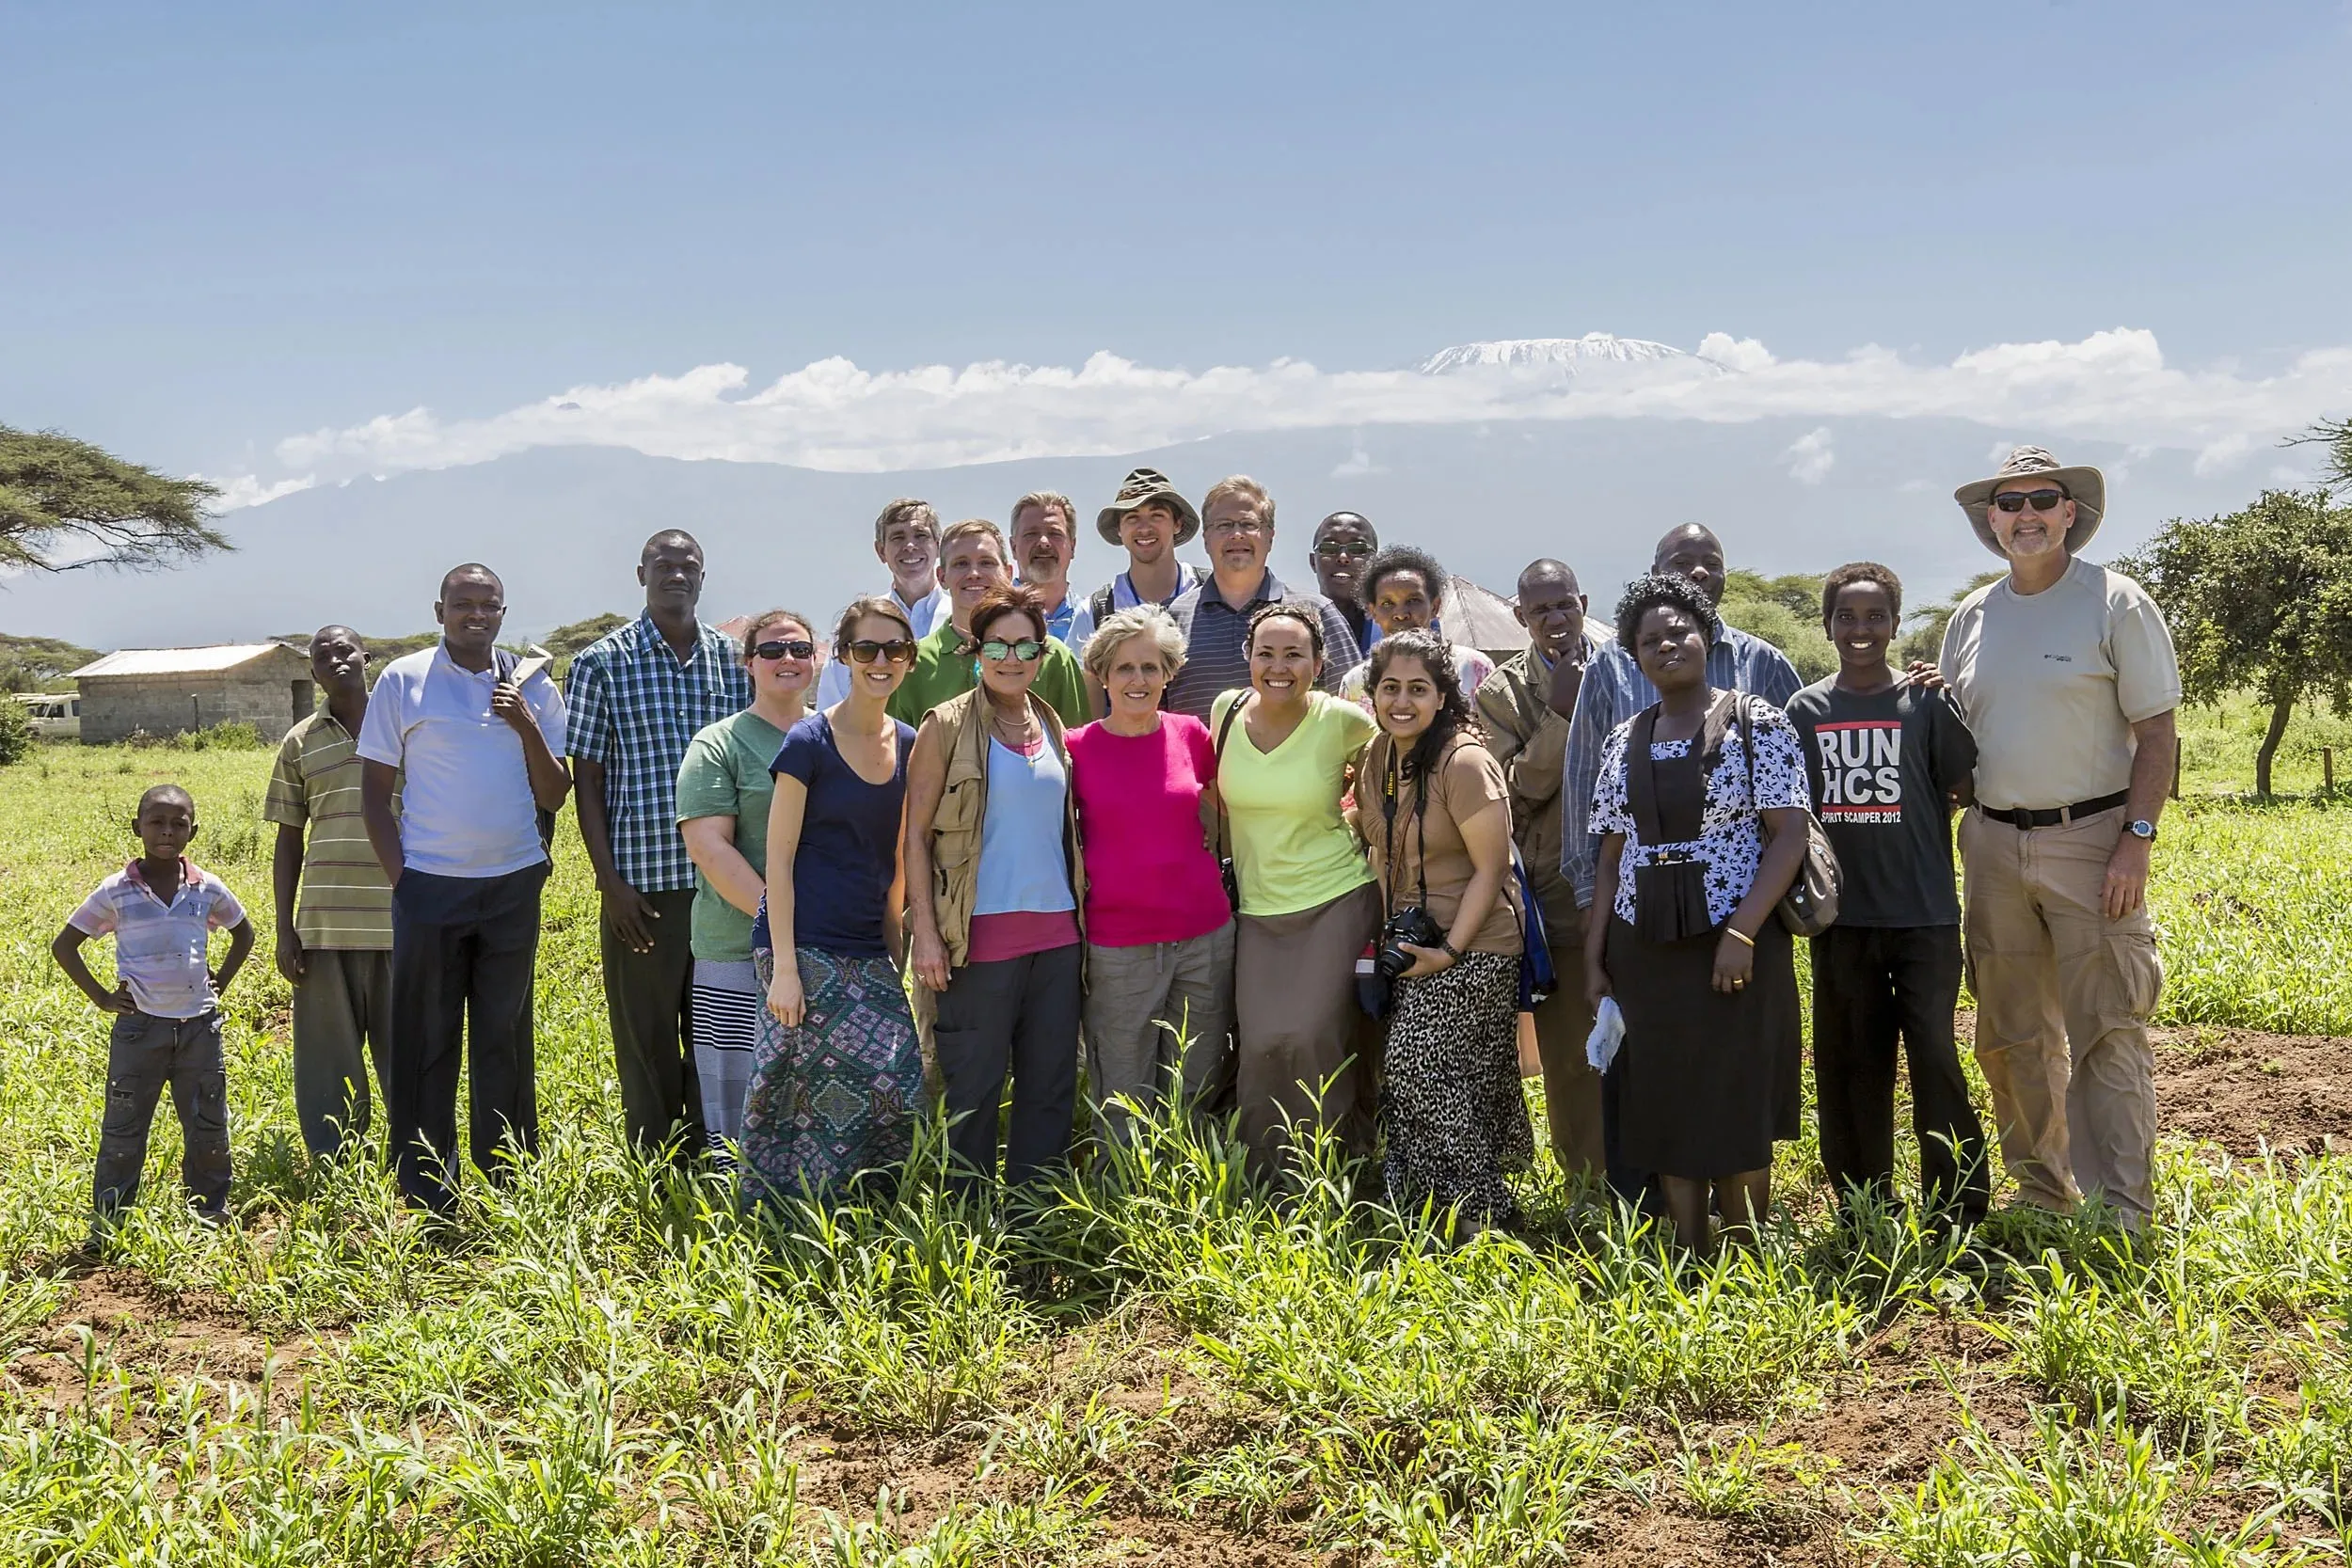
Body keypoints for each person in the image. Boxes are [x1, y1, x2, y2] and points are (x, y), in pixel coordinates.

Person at [1941, 446, 2180, 1229]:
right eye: (2009, 502)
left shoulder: (2115, 601)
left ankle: (2123, 1210)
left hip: (2094, 836)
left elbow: (2157, 732)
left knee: (2107, 1027)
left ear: (2070, 511)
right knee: (2011, 1034)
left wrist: (2136, 840)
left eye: (2043, 498)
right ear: (1992, 518)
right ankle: (2042, 1194)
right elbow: (1955, 731)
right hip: (1992, 843)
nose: (2027, 514)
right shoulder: (1971, 616)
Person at [1559, 523, 1803, 1205]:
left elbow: (1789, 835)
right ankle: (1688, 1254)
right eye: (1648, 641)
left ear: (1706, 634)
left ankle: (1745, 1254)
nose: (1667, 646)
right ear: (1634, 658)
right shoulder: (1621, 738)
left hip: (1736, 940)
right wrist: (1597, 957)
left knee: (1737, 1091)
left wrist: (1744, 932)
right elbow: (1609, 853)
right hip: (1648, 945)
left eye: (1680, 633)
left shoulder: (1758, 720)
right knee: (1665, 1096)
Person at [358, 563, 571, 1216]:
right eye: (462, 604)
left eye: (489, 605)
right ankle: (427, 1185)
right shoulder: (403, 680)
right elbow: (373, 795)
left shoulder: (532, 685)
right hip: (430, 889)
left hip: (511, 885)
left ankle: (507, 1175)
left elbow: (555, 792)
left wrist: (524, 723)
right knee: (426, 1035)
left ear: (504, 613)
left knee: (504, 1034)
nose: (475, 614)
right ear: (439, 608)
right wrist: (407, 880)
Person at [1787, 562, 1990, 1227]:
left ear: (1896, 624)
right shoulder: (1806, 710)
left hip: (1924, 916)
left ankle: (1956, 1208)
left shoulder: (1927, 701)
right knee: (1852, 1069)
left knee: (1935, 1056)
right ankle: (1864, 1205)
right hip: (1843, 921)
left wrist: (1948, 694)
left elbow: (1959, 789)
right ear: (1829, 626)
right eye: (1847, 616)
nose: (1861, 629)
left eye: (1875, 616)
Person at [565, 531, 755, 1160]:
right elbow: (586, 778)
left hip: (724, 887)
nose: (677, 574)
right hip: (641, 889)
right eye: (664, 565)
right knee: (645, 1035)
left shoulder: (734, 661)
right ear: (641, 572)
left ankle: (716, 1154)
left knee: (716, 1031)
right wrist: (609, 883)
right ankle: (658, 1160)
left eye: (689, 565)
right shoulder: (601, 663)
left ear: (704, 575)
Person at [903, 584, 1086, 1188]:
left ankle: (1036, 1227)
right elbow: (915, 838)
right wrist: (925, 933)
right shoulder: (944, 726)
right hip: (974, 944)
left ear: (1042, 652)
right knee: (972, 1096)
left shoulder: (1053, 725)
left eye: (1026, 645)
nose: (1013, 658)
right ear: (975, 652)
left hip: (1059, 941)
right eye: (998, 646)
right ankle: (970, 1227)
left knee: (1049, 1087)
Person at [745, 597, 926, 1202]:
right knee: (806, 1091)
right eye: (866, 649)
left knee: (895, 1083)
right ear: (845, 657)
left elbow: (898, 857)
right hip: (803, 942)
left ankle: (870, 1213)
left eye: (894, 649)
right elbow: (779, 856)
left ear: (909, 659)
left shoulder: (909, 743)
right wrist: (785, 970)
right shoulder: (807, 741)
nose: (880, 661)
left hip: (868, 945)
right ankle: (789, 1226)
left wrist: (895, 947)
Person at [1358, 629, 1531, 1235]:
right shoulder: (1380, 756)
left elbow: (1494, 866)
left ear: (1442, 696)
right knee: (1444, 1075)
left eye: (1417, 690)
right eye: (1389, 688)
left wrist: (1450, 950)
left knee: (1418, 1068)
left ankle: (1481, 1217)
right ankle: (1424, 1212)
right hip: (1413, 942)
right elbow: (1386, 847)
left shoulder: (1463, 760)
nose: (1401, 701)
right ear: (1372, 694)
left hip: (1476, 942)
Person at [1213, 600, 1380, 1178]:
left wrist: (1358, 823)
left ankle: (1333, 1169)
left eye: (1294, 654)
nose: (1278, 666)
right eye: (1266, 653)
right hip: (1257, 909)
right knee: (1260, 1042)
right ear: (1248, 658)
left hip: (1335, 898)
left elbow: (1392, 777)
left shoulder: (1343, 720)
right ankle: (1266, 1178)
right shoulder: (1226, 711)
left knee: (1312, 1036)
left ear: (1318, 661)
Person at [1068, 606, 1235, 1139]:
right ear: (1102, 674)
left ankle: (1189, 1199)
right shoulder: (1075, 749)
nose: (1138, 680)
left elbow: (1214, 814)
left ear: (1169, 674)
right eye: (1124, 668)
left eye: (1150, 667)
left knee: (1196, 1083)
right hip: (1118, 945)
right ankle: (1119, 1206)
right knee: (1122, 1093)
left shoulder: (1192, 735)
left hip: (1204, 937)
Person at [53, 784, 253, 1227]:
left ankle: (209, 1211)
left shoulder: (207, 888)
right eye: (156, 822)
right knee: (124, 1126)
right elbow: (65, 946)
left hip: (200, 1027)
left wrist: (221, 980)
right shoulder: (116, 891)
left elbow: (244, 933)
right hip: (139, 1029)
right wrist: (102, 997)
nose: (167, 831)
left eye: (178, 823)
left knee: (207, 1126)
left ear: (192, 831)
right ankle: (112, 1217)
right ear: (137, 828)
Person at [1474, 560, 1612, 1181]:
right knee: (1572, 1054)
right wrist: (1560, 717)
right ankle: (1589, 1190)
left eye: (1565, 606)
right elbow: (1507, 794)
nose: (1556, 620)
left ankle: (1659, 1182)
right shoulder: (1500, 695)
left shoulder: (1624, 667)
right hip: (1557, 893)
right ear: (1520, 616)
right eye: (1541, 610)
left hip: (1635, 886)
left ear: (1583, 602)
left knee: (1649, 1040)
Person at [675, 608, 818, 1161]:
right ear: (748, 664)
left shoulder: (836, 734)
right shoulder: (719, 744)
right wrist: (781, 923)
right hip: (738, 947)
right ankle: (739, 1218)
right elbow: (710, 848)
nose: (788, 660)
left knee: (811, 1095)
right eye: (774, 651)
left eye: (800, 650)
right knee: (740, 1098)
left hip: (825, 948)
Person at [263, 626, 395, 1161]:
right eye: (323, 656)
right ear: (312, 673)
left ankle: (419, 1156)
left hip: (398, 920)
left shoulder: (404, 726)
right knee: (326, 1058)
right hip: (322, 925)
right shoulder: (299, 741)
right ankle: (336, 1159)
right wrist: (283, 928)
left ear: (367, 657)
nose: (337, 660)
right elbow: (288, 838)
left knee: (406, 1052)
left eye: (345, 651)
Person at [1164, 477, 1359, 721]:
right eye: (1224, 525)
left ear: (1270, 536)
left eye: (1248, 524)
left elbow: (1353, 708)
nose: (1236, 535)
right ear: (1205, 538)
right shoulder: (1174, 619)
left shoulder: (1319, 612)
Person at [889, 518, 1090, 728]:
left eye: (987, 562)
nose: (974, 574)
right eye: (961, 564)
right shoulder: (913, 664)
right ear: (942, 577)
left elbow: (1075, 748)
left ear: (1008, 573)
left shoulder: (1051, 656)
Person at [815, 499, 951, 706]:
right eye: (898, 537)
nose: (910, 546)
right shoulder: (858, 622)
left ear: (938, 546)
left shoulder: (960, 617)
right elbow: (833, 699)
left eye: (921, 536)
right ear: (881, 551)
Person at [1337, 545, 1496, 704]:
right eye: (1387, 604)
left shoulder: (1473, 668)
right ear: (1373, 612)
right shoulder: (1355, 683)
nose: (1400, 614)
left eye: (1413, 601)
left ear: (1435, 607)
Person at [1086, 467, 1204, 626]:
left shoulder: (1210, 592)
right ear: (1119, 529)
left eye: (1157, 516)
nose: (1144, 528)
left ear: (1177, 524)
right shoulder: (1096, 611)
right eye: (1132, 517)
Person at [1011, 491, 1095, 648]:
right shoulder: (989, 616)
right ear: (1013, 547)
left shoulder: (1093, 618)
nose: (1043, 542)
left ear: (1072, 546)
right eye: (1031, 534)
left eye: (1055, 533)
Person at [1311, 511, 1380, 657]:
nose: (1343, 558)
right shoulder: (1294, 629)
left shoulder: (1397, 627)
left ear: (1375, 563)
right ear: (1313, 562)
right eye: (1329, 548)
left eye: (1358, 549)